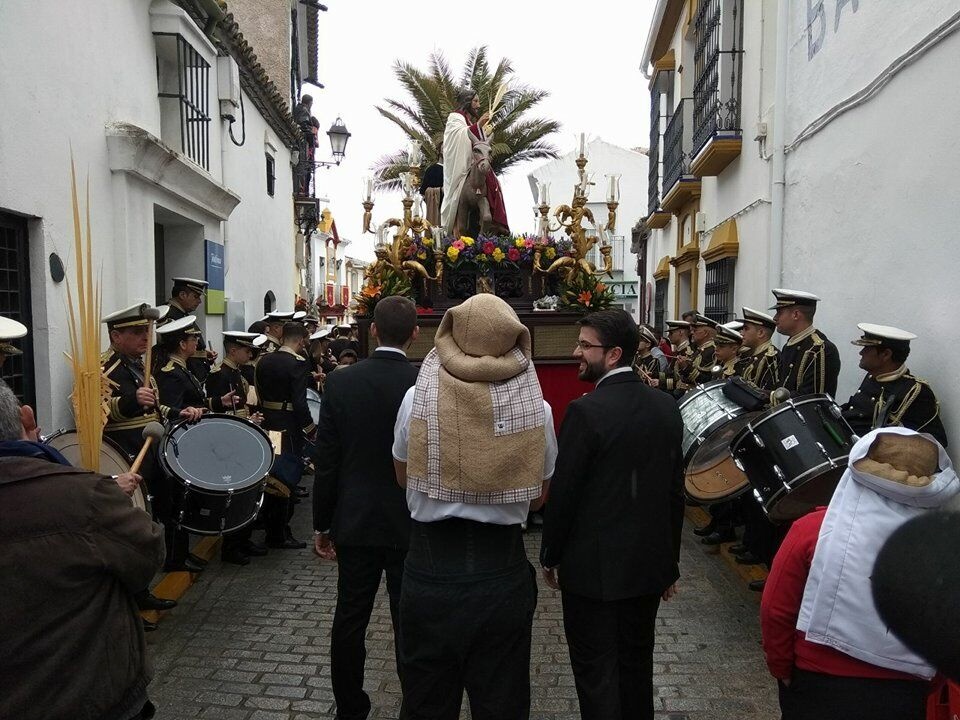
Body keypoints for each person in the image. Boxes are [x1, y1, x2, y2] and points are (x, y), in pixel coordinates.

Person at [393, 294, 557, 720]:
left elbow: (402, 475)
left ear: (451, 335)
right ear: (514, 341)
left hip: (429, 568)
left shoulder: (417, 399)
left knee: (426, 701)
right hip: (501, 569)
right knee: (502, 701)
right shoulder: (538, 409)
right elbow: (538, 495)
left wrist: (450, 480)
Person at [540, 309, 684, 720]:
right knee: (636, 668)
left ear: (615, 353)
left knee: (596, 675)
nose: (576, 353)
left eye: (585, 345)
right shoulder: (665, 407)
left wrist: (551, 552)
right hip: (646, 568)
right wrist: (668, 564)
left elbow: (565, 494)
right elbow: (674, 494)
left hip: (594, 574)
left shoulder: (586, 412)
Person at [761, 428, 958, 719]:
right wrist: (927, 681)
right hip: (903, 693)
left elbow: (776, 609)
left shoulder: (813, 529)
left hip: (817, 682)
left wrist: (781, 668)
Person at [0, 379, 166, 720]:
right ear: (27, 419)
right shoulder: (83, 495)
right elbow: (146, 557)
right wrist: (100, 498)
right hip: (89, 693)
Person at [312, 296, 419, 720]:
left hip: (353, 518)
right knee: (407, 617)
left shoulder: (341, 382)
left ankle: (350, 707)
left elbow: (328, 461)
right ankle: (414, 701)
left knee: (350, 616)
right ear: (415, 334)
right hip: (409, 517)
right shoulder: (424, 383)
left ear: (372, 331)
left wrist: (323, 522)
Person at [101, 304, 204, 578]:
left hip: (154, 449)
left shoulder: (141, 365)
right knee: (138, 517)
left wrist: (177, 412)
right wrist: (129, 401)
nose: (146, 339)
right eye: (137, 333)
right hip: (128, 451)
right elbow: (90, 409)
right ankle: (140, 584)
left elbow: (157, 407)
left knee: (168, 506)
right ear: (115, 337)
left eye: (147, 333)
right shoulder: (103, 369)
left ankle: (174, 558)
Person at [207, 331, 268, 565]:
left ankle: (243, 539)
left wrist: (252, 419)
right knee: (234, 497)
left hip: (242, 437)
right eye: (245, 350)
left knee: (247, 495)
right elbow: (217, 414)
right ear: (233, 351)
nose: (249, 354)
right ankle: (231, 546)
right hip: (228, 443)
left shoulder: (237, 373)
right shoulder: (219, 375)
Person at [256, 321, 315, 549]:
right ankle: (279, 532)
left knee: (272, 473)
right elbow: (300, 403)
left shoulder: (264, 360)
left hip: (270, 425)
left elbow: (260, 395)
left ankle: (271, 526)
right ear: (300, 341)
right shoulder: (297, 364)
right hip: (288, 428)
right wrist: (310, 428)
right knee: (286, 477)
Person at [842, 323, 947, 446]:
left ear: (886, 354)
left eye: (867, 349)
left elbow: (935, 443)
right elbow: (855, 411)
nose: (861, 352)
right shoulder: (874, 376)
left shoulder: (914, 391)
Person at [440, 88, 509, 236]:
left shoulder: (467, 120)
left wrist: (482, 130)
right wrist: (478, 125)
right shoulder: (455, 118)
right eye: (475, 101)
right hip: (462, 167)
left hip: (475, 163)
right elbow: (458, 138)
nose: (478, 105)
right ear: (467, 102)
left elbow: (477, 142)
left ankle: (497, 224)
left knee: (492, 180)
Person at [771, 289, 840, 397]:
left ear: (796, 314)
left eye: (779, 312)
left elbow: (810, 399)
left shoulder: (820, 349)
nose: (775, 318)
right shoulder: (790, 344)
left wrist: (769, 396)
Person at [165, 277, 216, 382]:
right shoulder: (168, 315)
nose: (199, 301)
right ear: (182, 295)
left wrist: (204, 354)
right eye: (196, 297)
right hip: (182, 376)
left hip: (195, 374)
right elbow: (171, 349)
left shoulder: (182, 314)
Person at [737, 307, 782, 393]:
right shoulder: (756, 354)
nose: (742, 333)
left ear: (760, 333)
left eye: (746, 329)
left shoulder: (771, 358)